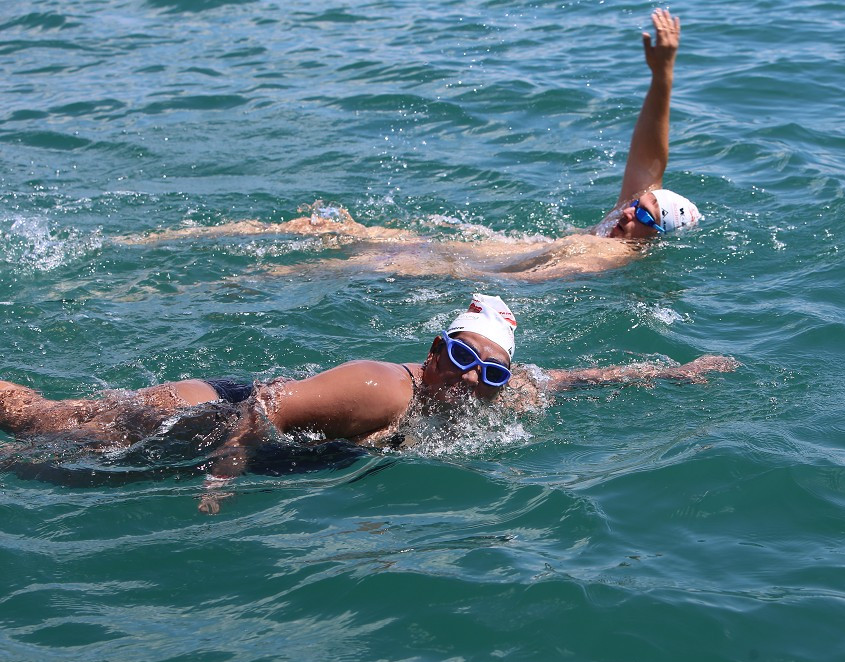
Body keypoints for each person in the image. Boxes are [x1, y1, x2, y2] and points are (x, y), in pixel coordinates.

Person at [0, 294, 737, 512]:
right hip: (204, 414)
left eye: (489, 374)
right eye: (456, 358)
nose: (468, 381)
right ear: (431, 354)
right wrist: (222, 475)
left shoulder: (498, 403)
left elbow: (574, 378)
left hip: (243, 446)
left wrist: (673, 373)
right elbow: (267, 404)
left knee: (34, 469)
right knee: (46, 425)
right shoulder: (386, 387)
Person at [127, 9, 701, 281]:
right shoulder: (618, 220)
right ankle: (159, 240)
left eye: (642, 218)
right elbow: (650, 159)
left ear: (656, 240)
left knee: (319, 266)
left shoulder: (607, 256)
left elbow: (518, 279)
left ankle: (191, 288)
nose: (628, 214)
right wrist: (662, 75)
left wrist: (434, 272)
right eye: (635, 205)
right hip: (451, 248)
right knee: (321, 229)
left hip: (447, 265)